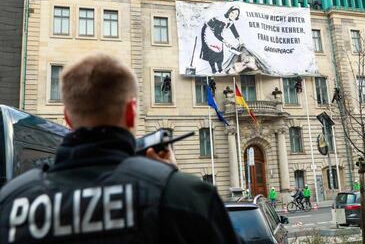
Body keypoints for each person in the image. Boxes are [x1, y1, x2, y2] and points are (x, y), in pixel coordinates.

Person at [0, 54, 241, 244]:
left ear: (68, 119)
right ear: (131, 111)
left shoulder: (11, 202)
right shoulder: (185, 197)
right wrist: (171, 180)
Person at [200, 5, 241, 74]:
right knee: (212, 51)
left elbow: (234, 31)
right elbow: (216, 34)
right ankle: (214, 70)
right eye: (232, 13)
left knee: (219, 52)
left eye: (236, 14)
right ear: (229, 12)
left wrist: (240, 40)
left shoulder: (230, 21)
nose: (233, 15)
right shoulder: (221, 20)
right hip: (208, 32)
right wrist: (226, 42)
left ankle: (220, 69)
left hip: (217, 33)